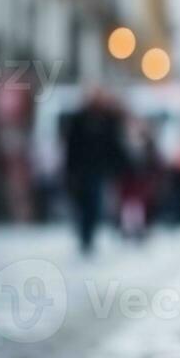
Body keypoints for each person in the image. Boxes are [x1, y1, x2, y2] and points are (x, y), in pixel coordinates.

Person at [63, 89, 126, 254]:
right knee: (83, 204)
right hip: (82, 170)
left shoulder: (107, 120)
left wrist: (117, 165)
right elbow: (71, 146)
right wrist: (70, 169)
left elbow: (113, 145)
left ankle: (88, 235)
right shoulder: (80, 119)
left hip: (98, 169)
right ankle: (84, 234)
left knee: (94, 203)